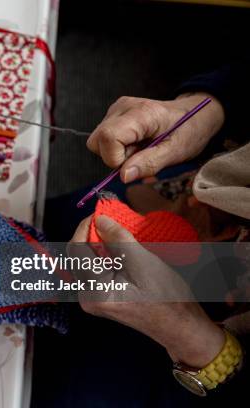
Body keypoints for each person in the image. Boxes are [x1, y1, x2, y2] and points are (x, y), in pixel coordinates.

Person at [32, 59, 250, 407]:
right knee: (28, 247)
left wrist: (191, 336)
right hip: (197, 192)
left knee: (41, 381)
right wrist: (203, 108)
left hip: (202, 367)